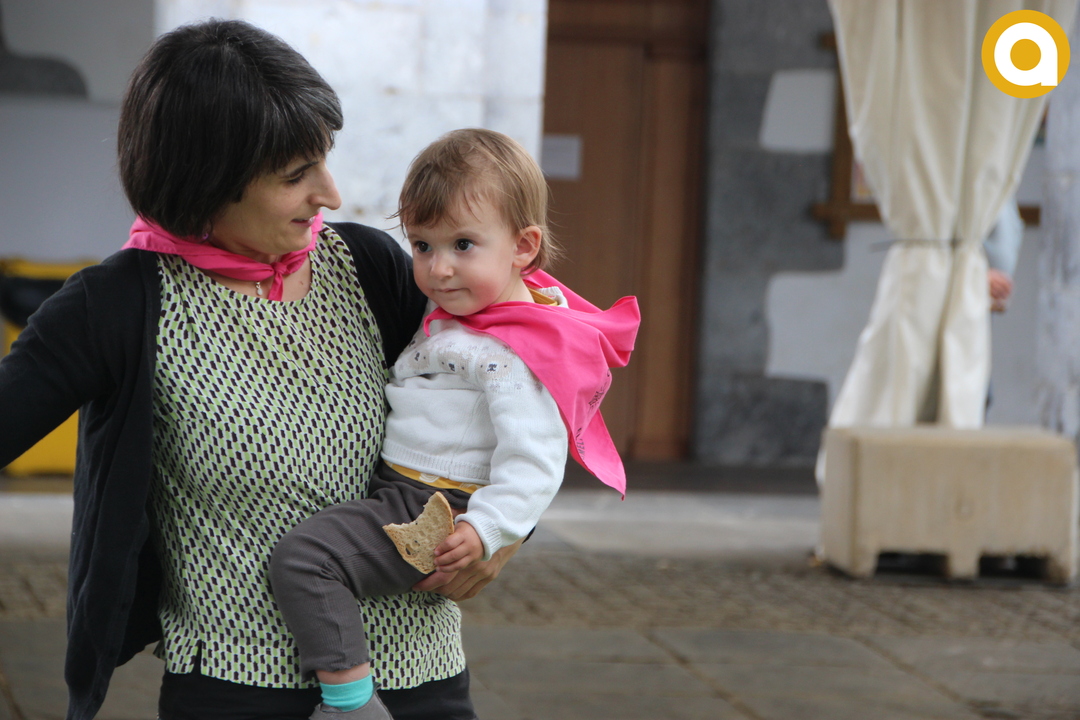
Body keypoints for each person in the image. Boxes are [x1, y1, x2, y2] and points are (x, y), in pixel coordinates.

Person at [0, 20, 519, 720]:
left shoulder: (373, 269)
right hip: (236, 690)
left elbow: (519, 385)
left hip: (420, 683)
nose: (330, 194)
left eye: (324, 160)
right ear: (206, 180)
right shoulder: (119, 305)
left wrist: (503, 534)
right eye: (295, 175)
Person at [268, 128, 640, 719]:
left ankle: (350, 703)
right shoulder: (463, 312)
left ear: (523, 246)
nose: (438, 268)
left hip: (431, 505)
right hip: (404, 490)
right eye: (422, 245)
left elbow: (535, 459)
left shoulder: (515, 350)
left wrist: (489, 529)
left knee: (306, 560)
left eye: (463, 244)